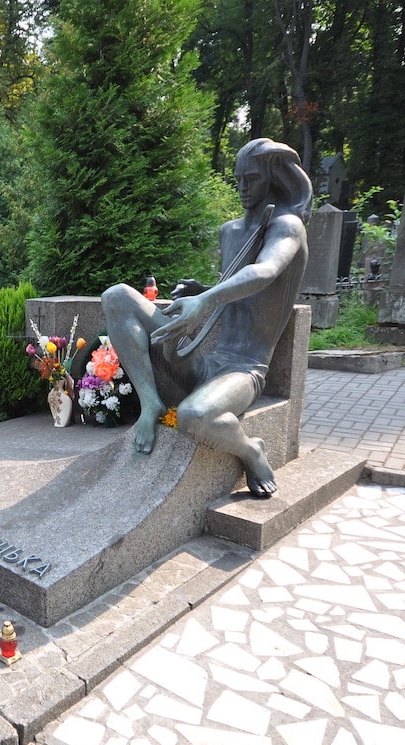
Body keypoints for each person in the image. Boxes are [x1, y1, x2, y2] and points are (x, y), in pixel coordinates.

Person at [101, 138, 312, 497]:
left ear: (273, 178)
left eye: (253, 179)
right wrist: (201, 292)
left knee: (194, 416)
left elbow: (265, 271)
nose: (244, 188)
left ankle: (251, 450)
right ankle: (150, 401)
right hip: (207, 359)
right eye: (239, 179)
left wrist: (207, 299)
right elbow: (234, 289)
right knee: (117, 296)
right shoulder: (230, 231)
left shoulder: (287, 225)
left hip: (243, 370)